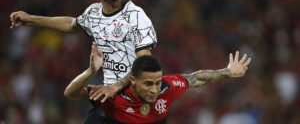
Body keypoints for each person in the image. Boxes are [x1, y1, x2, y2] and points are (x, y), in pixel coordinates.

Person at [9, 0, 157, 123]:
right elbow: (72, 25)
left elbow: (145, 63)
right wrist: (31, 19)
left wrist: (115, 87)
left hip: (135, 103)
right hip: (109, 102)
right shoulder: (94, 13)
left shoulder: (136, 16)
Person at [65, 42, 252, 124]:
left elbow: (195, 78)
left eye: (157, 82)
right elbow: (71, 93)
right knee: (96, 114)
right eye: (148, 84)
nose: (155, 89)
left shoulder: (166, 87)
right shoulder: (113, 96)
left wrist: (228, 72)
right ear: (133, 81)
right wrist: (91, 71)